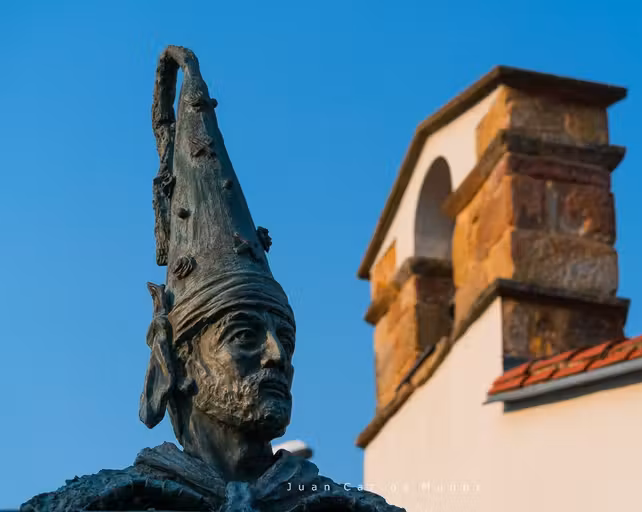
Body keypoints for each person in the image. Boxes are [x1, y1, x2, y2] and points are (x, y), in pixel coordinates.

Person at [20, 46, 404, 512]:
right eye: (244, 335)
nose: (277, 356)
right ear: (178, 364)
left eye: (285, 338)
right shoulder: (98, 506)